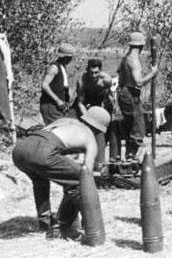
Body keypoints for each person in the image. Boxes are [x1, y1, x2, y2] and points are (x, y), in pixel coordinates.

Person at [12, 106, 111, 239]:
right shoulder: (90, 138)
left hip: (20, 149)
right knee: (79, 182)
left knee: (40, 179)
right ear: (99, 130)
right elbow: (86, 176)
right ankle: (63, 227)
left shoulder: (65, 121)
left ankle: (44, 222)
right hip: (42, 151)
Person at [115, 31, 159, 161]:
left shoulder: (126, 58)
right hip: (129, 94)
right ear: (141, 46)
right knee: (139, 126)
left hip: (123, 93)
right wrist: (152, 73)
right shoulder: (134, 60)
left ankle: (130, 154)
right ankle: (131, 155)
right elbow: (138, 82)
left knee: (130, 126)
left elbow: (120, 72)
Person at [74, 58, 115, 173]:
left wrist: (103, 112)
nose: (93, 75)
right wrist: (86, 116)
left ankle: (101, 161)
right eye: (91, 72)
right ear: (87, 70)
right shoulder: (82, 80)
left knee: (103, 132)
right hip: (86, 105)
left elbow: (109, 97)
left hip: (102, 104)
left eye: (96, 73)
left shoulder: (106, 80)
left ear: (100, 71)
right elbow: (80, 102)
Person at [39, 43, 76, 125]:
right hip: (50, 105)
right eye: (70, 58)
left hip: (58, 106)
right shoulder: (54, 67)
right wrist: (57, 100)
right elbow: (44, 85)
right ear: (66, 57)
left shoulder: (62, 67)